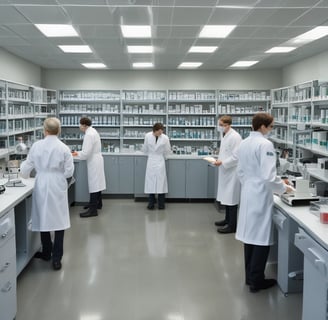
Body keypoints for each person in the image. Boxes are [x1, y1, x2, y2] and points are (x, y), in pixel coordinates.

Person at [235, 113, 294, 293]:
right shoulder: (265, 144)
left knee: (249, 238)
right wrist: (284, 188)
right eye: (271, 126)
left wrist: (251, 185)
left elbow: (240, 171)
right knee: (260, 238)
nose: (271, 130)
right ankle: (257, 281)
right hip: (260, 194)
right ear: (262, 127)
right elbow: (268, 176)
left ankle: (249, 277)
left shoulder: (244, 143)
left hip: (248, 192)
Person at [20, 117, 74, 271]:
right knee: (59, 222)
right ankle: (57, 259)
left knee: (43, 218)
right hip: (58, 183)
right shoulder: (63, 148)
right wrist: (61, 179)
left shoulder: (37, 146)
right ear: (59, 130)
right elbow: (70, 170)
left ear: (45, 130)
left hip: (42, 182)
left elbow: (25, 169)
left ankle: (46, 253)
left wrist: (23, 173)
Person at [72, 117, 106, 218]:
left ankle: (93, 210)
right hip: (96, 159)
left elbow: (86, 153)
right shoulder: (93, 130)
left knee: (94, 184)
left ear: (84, 125)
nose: (79, 126)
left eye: (80, 124)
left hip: (93, 161)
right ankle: (97, 204)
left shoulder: (89, 134)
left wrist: (75, 154)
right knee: (98, 183)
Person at [214, 115, 242, 234]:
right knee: (226, 198)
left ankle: (232, 226)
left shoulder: (235, 137)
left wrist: (223, 162)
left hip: (232, 171)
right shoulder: (225, 134)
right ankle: (227, 220)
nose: (219, 127)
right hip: (225, 170)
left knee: (232, 199)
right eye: (219, 124)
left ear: (228, 125)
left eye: (221, 125)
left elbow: (236, 156)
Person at [142, 123, 171, 210]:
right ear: (154, 130)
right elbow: (145, 149)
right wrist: (150, 155)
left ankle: (161, 204)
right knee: (150, 183)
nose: (160, 134)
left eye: (161, 132)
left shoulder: (165, 138)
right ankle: (151, 204)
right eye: (158, 132)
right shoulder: (147, 136)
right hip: (151, 160)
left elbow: (167, 150)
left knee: (161, 183)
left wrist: (164, 158)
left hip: (160, 161)